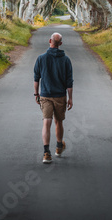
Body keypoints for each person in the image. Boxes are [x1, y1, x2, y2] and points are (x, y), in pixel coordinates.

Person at [33, 32, 73, 164]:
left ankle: (46, 153)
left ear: (49, 41)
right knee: (59, 122)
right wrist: (70, 98)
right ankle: (58, 146)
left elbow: (36, 78)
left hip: (45, 95)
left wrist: (36, 94)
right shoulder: (66, 60)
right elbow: (69, 82)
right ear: (60, 44)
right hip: (60, 96)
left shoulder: (41, 58)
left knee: (46, 122)